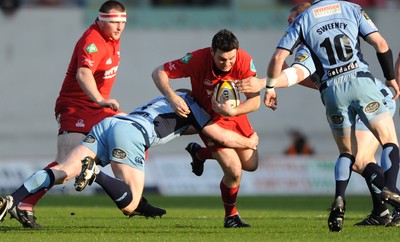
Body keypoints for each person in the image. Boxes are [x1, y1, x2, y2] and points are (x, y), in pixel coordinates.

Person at [237, 0, 400, 232]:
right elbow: (304, 77)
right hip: (362, 90)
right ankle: (382, 210)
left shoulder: (307, 39)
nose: (288, 25)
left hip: (371, 95)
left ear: (301, 17)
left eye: (291, 20)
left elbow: (295, 72)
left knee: (359, 159)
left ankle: (387, 204)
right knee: (363, 160)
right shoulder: (345, 13)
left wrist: (265, 84)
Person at [6, 0, 162, 229]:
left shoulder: (112, 38)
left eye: (123, 22)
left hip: (98, 110)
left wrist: (101, 104)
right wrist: (99, 99)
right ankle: (22, 203)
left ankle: (133, 198)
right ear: (101, 20)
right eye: (113, 22)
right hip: (76, 107)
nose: (119, 27)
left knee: (135, 132)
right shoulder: (93, 41)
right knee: (66, 165)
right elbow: (83, 74)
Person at [0, 90, 259, 226]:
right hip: (131, 134)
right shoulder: (195, 110)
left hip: (111, 124)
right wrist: (249, 141)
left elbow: (180, 126)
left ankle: (13, 198)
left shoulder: (166, 98)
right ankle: (95, 174)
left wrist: (151, 210)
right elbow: (222, 137)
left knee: (63, 170)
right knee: (129, 204)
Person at [151, 29, 260, 228]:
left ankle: (199, 153)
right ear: (212, 52)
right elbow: (158, 71)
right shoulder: (196, 59)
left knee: (251, 164)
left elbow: (255, 101)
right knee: (234, 171)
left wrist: (233, 112)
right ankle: (231, 217)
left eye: (231, 59)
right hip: (208, 119)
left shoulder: (244, 60)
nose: (227, 64)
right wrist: (172, 97)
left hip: (234, 114)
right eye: (222, 59)